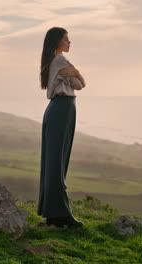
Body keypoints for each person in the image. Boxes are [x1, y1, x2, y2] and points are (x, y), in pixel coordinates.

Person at [37, 27, 86, 228]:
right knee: (57, 163)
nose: (69, 42)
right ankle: (61, 215)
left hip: (58, 108)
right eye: (66, 39)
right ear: (57, 41)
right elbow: (80, 85)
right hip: (63, 108)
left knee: (54, 162)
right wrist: (78, 73)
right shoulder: (60, 61)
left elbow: (77, 82)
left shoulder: (53, 59)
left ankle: (53, 214)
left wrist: (77, 73)